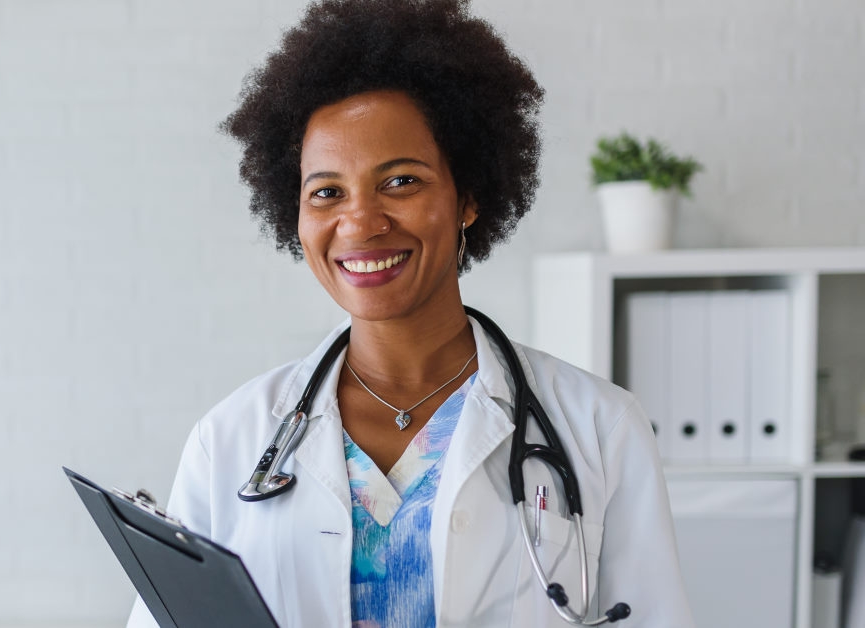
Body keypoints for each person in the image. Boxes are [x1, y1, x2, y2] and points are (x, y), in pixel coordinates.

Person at [127, 0, 695, 626]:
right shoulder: (231, 440)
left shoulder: (600, 429)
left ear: (468, 197)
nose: (360, 222)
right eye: (326, 192)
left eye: (401, 181)